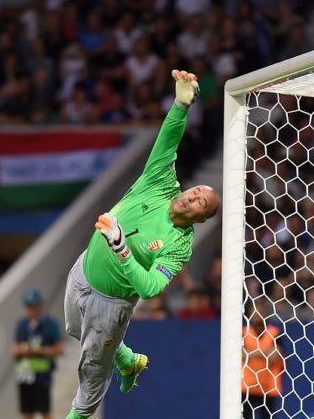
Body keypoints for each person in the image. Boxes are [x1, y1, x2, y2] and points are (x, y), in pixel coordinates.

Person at [63, 69, 220, 419]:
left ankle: (78, 414)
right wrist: (181, 105)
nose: (192, 197)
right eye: (195, 191)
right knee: (75, 329)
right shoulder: (159, 183)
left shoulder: (180, 245)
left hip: (111, 304)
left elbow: (149, 288)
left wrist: (122, 249)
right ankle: (128, 360)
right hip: (83, 269)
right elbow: (167, 141)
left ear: (201, 219)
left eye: (201, 203)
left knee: (92, 370)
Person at [13, 289, 65, 419]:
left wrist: (38, 350)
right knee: (27, 412)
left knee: (45, 412)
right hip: (25, 375)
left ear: (40, 306)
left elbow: (60, 349)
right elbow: (15, 349)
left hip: (42, 376)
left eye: (34, 306)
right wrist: (24, 350)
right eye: (29, 306)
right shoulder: (22, 325)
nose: (32, 310)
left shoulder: (50, 324)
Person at [241, 300, 284, 419]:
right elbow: (240, 354)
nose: (257, 314)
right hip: (247, 385)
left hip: (268, 386)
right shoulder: (243, 332)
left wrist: (251, 352)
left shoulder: (275, 332)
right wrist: (264, 352)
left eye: (260, 310)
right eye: (254, 311)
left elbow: (275, 355)